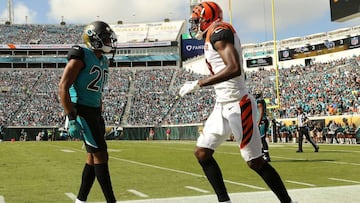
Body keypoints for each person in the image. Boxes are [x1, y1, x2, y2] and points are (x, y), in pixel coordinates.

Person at [178, 2, 294, 202]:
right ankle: (224, 200)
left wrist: (200, 83)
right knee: (202, 153)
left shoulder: (219, 32)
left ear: (207, 18)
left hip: (238, 104)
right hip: (222, 104)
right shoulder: (211, 34)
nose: (194, 25)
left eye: (197, 20)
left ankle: (288, 202)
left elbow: (233, 68)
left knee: (255, 162)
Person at [58, 21, 117, 203]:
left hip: (94, 112)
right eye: (106, 38)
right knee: (101, 154)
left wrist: (99, 110)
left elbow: (97, 90)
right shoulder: (81, 55)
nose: (110, 41)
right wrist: (71, 118)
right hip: (81, 111)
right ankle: (111, 201)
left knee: (93, 157)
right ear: (95, 39)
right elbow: (63, 87)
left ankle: (80, 200)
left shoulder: (103, 60)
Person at [255, 91, 271, 162]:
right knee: (259, 139)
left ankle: (266, 155)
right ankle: (262, 154)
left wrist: (258, 122)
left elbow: (261, 112)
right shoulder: (259, 100)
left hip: (262, 122)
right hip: (261, 121)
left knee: (262, 139)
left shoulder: (260, 101)